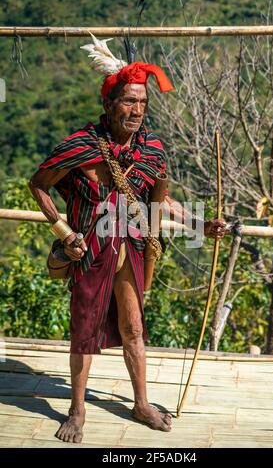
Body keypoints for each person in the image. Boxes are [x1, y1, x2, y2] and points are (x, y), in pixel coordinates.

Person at [29, 35, 226, 443]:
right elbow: (39, 184)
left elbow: (161, 200)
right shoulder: (81, 146)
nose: (136, 110)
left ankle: (140, 403)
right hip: (90, 247)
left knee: (134, 326)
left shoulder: (151, 149)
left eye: (142, 103)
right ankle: (77, 410)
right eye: (128, 101)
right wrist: (64, 234)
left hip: (131, 246)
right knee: (84, 328)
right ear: (109, 104)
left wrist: (199, 225)